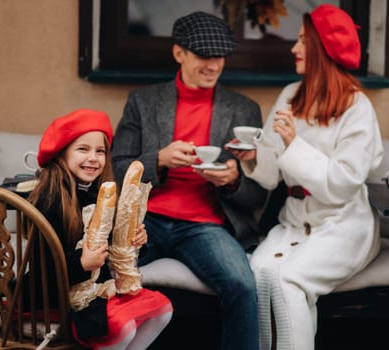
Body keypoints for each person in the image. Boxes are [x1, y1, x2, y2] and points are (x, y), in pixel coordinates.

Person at [230, 4, 384, 350]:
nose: (293, 48)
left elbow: (343, 185)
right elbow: (271, 177)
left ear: (322, 49)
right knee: (258, 273)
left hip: (343, 225)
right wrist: (254, 157)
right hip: (294, 222)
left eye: (302, 41)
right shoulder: (290, 95)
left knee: (288, 280)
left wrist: (293, 145)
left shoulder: (357, 108)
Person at [110, 11, 267, 350]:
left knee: (243, 285)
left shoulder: (244, 111)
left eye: (220, 56)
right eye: (204, 56)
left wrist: (233, 181)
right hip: (145, 219)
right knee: (96, 274)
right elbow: (119, 168)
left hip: (205, 226)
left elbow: (257, 197)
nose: (214, 65)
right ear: (179, 53)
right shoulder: (143, 101)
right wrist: (158, 160)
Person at [27, 108, 173, 350]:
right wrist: (82, 262)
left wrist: (136, 242)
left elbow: (115, 251)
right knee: (122, 328)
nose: (93, 158)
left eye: (100, 151)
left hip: (100, 288)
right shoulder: (50, 200)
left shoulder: (101, 194)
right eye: (83, 149)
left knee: (162, 311)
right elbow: (42, 269)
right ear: (61, 154)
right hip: (59, 294)